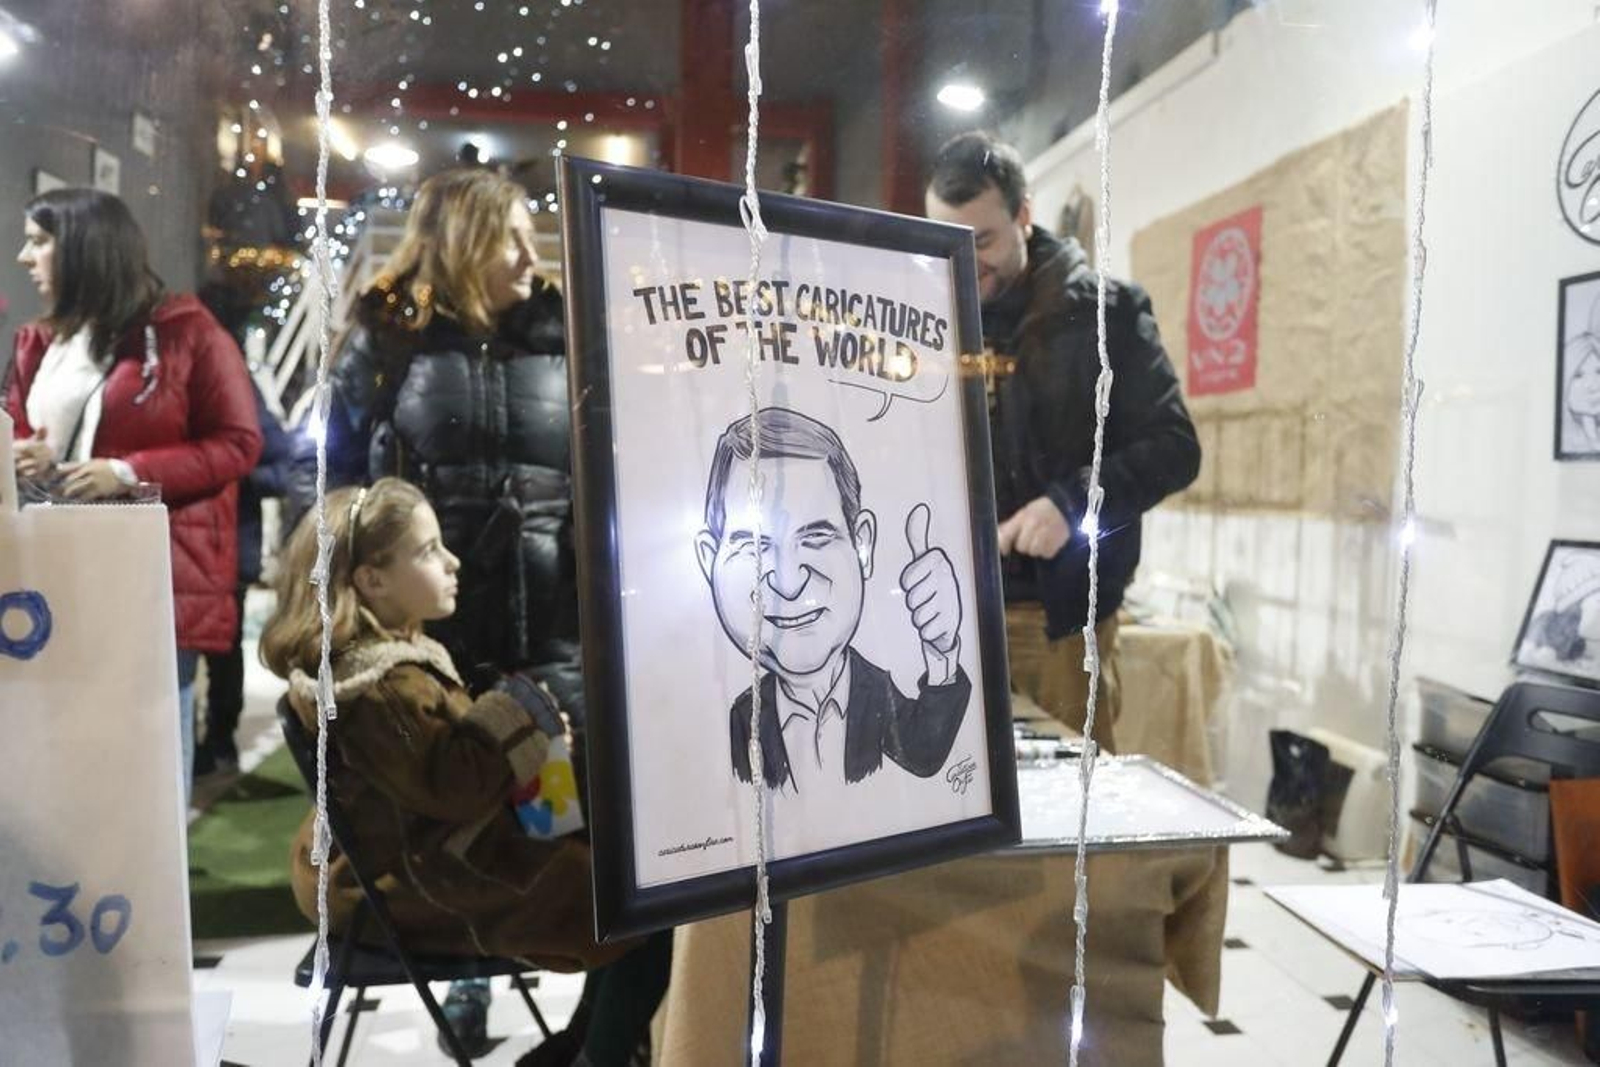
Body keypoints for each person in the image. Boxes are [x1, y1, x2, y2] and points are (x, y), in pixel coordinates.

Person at [290, 167, 668, 1063]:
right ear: (458, 242)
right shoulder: (385, 341)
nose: (530, 256)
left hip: (556, 635)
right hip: (435, 638)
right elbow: (336, 494)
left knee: (572, 820)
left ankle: (585, 1027)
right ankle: (478, 978)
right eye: (509, 237)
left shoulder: (568, 331)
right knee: (464, 808)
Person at [260, 479, 629, 974]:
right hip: (401, 884)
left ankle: (595, 1040)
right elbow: (456, 788)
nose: (452, 562)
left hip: (398, 859)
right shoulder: (377, 688)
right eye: (429, 551)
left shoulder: (382, 663)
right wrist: (515, 717)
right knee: (626, 897)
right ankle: (599, 1048)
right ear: (373, 581)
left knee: (616, 874)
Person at [925, 132, 1200, 752]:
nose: (967, 263)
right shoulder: (924, 320)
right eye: (948, 243)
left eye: (984, 241)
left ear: (1025, 215)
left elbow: (1175, 446)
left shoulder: (1109, 315)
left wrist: (1071, 503)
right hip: (942, 622)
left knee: (1065, 828)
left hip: (1059, 630)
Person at [7, 187, 263, 796]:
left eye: (40, 241)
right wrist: (28, 451)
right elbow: (20, 421)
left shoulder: (187, 333)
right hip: (52, 574)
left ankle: (147, 892)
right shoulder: (39, 340)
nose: (24, 257)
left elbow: (238, 442)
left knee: (145, 771)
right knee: (60, 759)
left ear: (86, 248)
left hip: (153, 578)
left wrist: (123, 471)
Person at [693, 407, 970, 792]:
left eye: (817, 537)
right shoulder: (741, 717)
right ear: (710, 562)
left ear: (863, 546)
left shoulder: (875, 692)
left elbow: (923, 756)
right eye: (754, 547)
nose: (789, 584)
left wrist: (942, 650)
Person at [196, 377, 293, 777]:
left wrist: (234, 473)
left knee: (224, 649)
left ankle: (220, 739)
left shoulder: (241, 392)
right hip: (187, 545)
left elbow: (282, 469)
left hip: (229, 547)